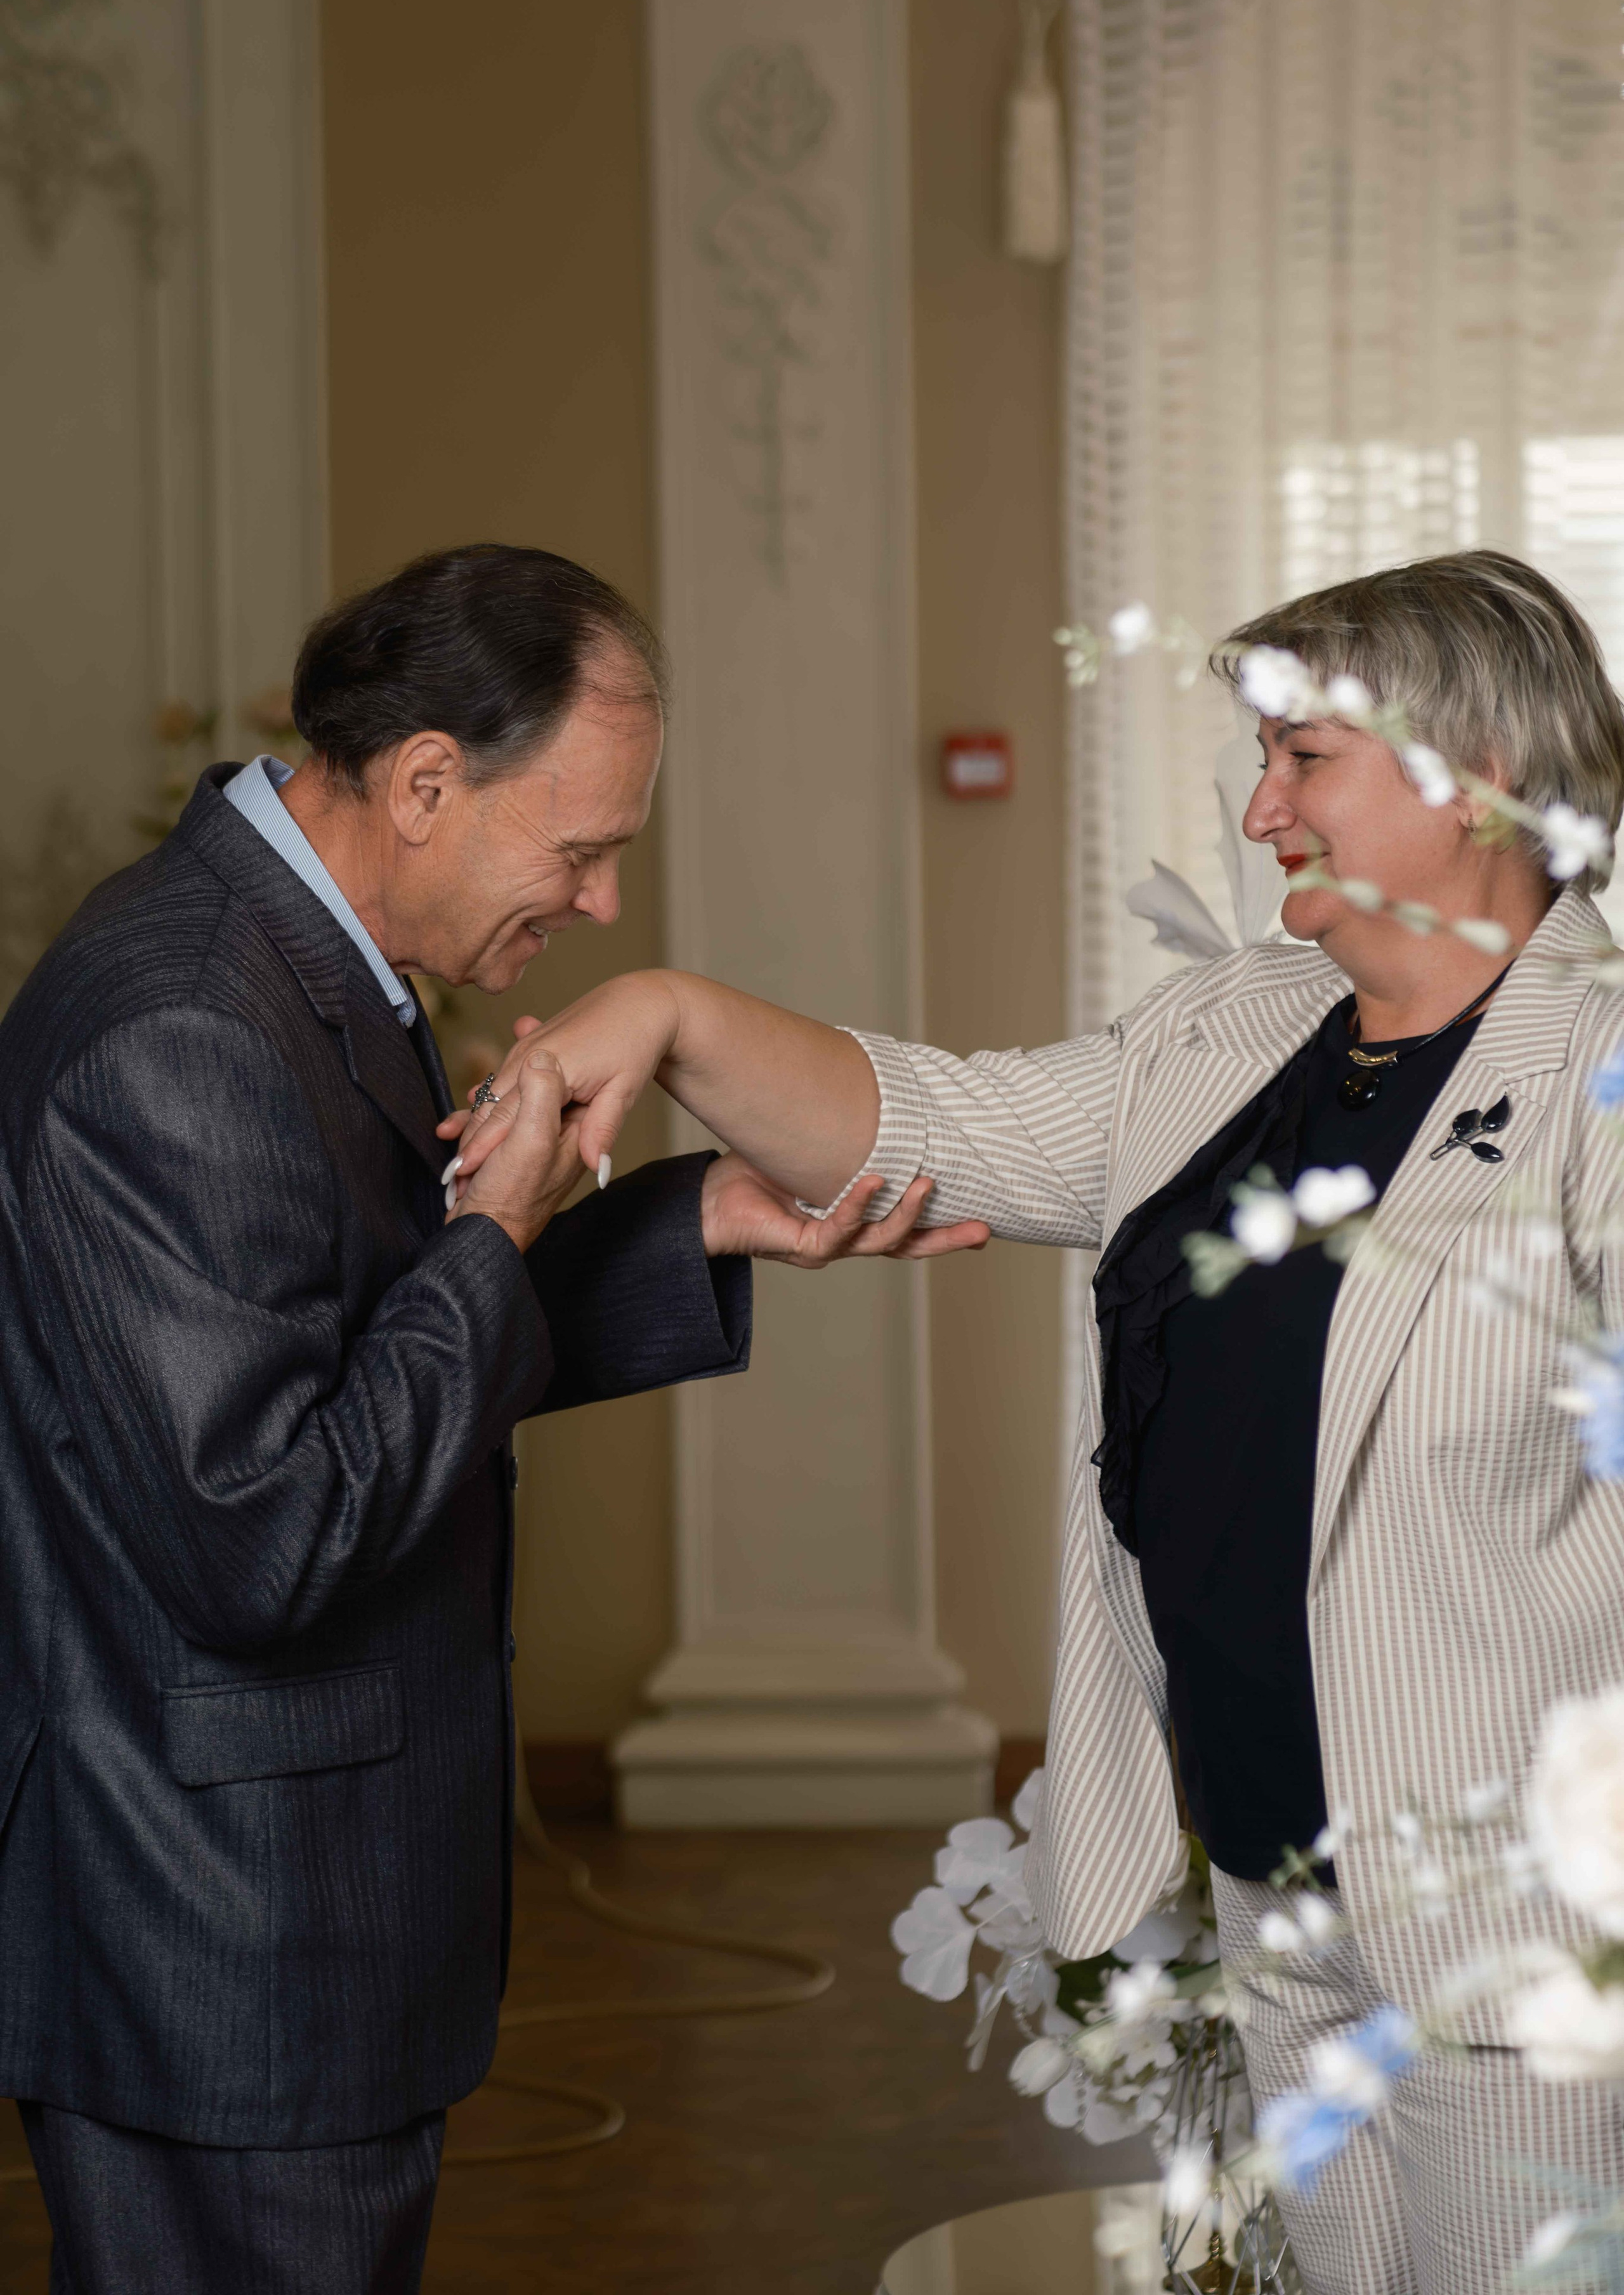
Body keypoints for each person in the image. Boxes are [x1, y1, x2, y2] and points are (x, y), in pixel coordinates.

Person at [453, 551, 1624, 2295]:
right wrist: (667, 1011)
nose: (1259, 808)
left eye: (1307, 760)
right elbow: (937, 1125)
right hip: (1273, 1880)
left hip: (1508, 1928)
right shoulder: (1237, 1030)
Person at [0, 543, 956, 2295]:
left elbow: (370, 1346)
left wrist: (695, 1223)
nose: (596, 909)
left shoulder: (304, 966)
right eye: (581, 850)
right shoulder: (182, 1028)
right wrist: (497, 1228)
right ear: (425, 781)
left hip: (284, 1912)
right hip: (221, 1933)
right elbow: (275, 1535)